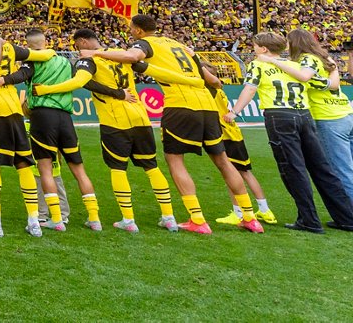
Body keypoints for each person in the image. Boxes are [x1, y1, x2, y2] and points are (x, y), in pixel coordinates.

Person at [87, 13, 263, 234]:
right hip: (207, 106)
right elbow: (214, 81)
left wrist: (95, 52)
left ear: (139, 30)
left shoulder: (145, 43)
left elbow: (131, 56)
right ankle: (249, 216)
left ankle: (197, 219)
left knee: (174, 160)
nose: (130, 32)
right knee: (224, 161)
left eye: (131, 28)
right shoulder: (178, 44)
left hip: (180, 105)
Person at [39, 27, 180, 233]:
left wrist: (47, 89)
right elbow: (149, 69)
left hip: (114, 120)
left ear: (84, 42)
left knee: (118, 168)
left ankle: (128, 220)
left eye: (78, 45)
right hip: (140, 117)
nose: (78, 50)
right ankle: (169, 217)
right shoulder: (120, 54)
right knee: (151, 167)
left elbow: (82, 82)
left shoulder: (89, 60)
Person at [227, 32, 353, 233]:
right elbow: (325, 84)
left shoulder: (259, 65)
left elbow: (250, 89)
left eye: (255, 46)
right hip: (304, 115)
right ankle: (346, 218)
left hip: (279, 117)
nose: (254, 50)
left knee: (293, 169)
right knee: (321, 169)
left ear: (264, 49)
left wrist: (234, 112)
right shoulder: (297, 66)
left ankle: (309, 219)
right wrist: (334, 68)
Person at [0, 18, 55, 238]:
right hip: (15, 111)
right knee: (24, 164)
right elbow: (39, 57)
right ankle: (34, 221)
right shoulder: (8, 46)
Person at [23, 29, 103, 232]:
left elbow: (27, 96)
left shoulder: (33, 61)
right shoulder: (64, 62)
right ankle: (94, 218)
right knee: (79, 170)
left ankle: (56, 219)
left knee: (45, 168)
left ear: (29, 46)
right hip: (65, 118)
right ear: (45, 41)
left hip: (43, 116)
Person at [272, 28, 353, 206]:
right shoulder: (327, 58)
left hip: (328, 117)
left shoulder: (306, 59)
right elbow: (334, 84)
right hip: (345, 113)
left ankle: (349, 214)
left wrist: (275, 61)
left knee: (342, 170)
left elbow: (305, 76)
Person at [209, 78, 275, 228]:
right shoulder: (219, 89)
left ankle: (238, 213)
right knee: (246, 172)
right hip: (234, 133)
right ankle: (265, 210)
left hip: (225, 135)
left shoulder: (209, 91)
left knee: (230, 173)